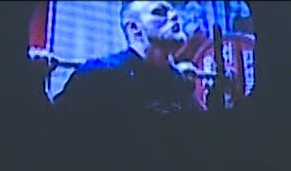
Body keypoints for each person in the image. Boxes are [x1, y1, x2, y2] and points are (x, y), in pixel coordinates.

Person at [56, 1, 201, 116]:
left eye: (173, 11)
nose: (174, 16)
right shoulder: (98, 75)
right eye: (159, 12)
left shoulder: (180, 84)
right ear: (134, 28)